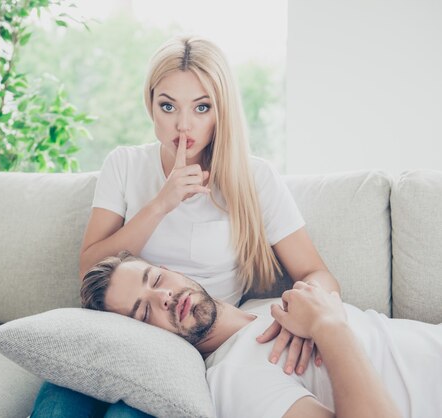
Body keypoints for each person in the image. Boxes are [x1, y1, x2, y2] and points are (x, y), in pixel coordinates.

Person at [31, 34, 340, 417]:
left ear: (220, 110)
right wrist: (162, 203)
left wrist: (311, 319)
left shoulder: (253, 177)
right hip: (122, 331)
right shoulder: (125, 165)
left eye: (201, 107)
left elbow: (317, 274)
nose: (183, 125)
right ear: (150, 106)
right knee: (59, 405)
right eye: (167, 106)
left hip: (193, 344)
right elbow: (88, 270)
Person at [81, 251, 442, 418]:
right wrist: (327, 326)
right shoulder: (232, 381)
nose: (163, 297)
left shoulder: (260, 305)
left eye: (156, 281)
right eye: (144, 312)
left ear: (168, 269)